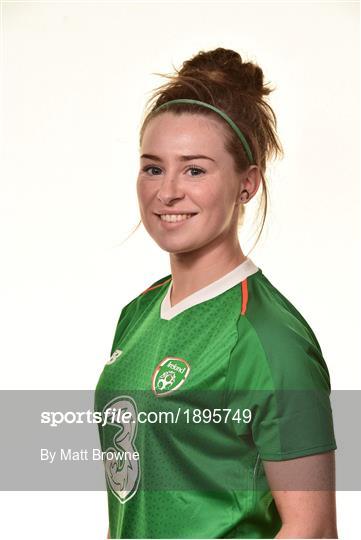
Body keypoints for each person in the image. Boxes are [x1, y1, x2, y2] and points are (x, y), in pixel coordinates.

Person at [95, 47, 338, 539]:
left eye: (196, 169)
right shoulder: (137, 314)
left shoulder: (267, 337)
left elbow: (311, 530)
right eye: (153, 167)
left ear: (247, 184)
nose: (167, 192)